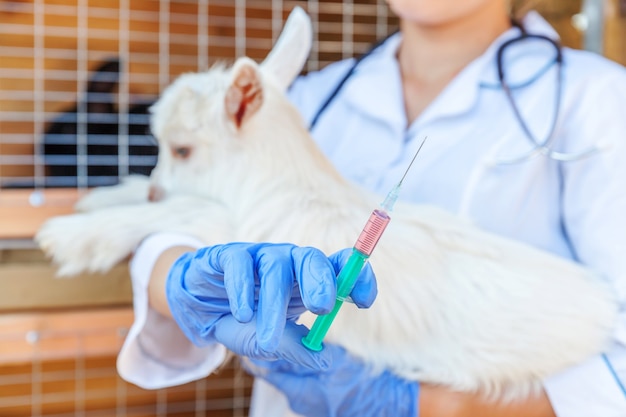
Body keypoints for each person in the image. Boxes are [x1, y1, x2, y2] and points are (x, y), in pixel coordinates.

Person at [116, 0, 626, 416]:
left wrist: (433, 407)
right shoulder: (309, 99)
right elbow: (179, 221)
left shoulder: (597, 98)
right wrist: (180, 274)